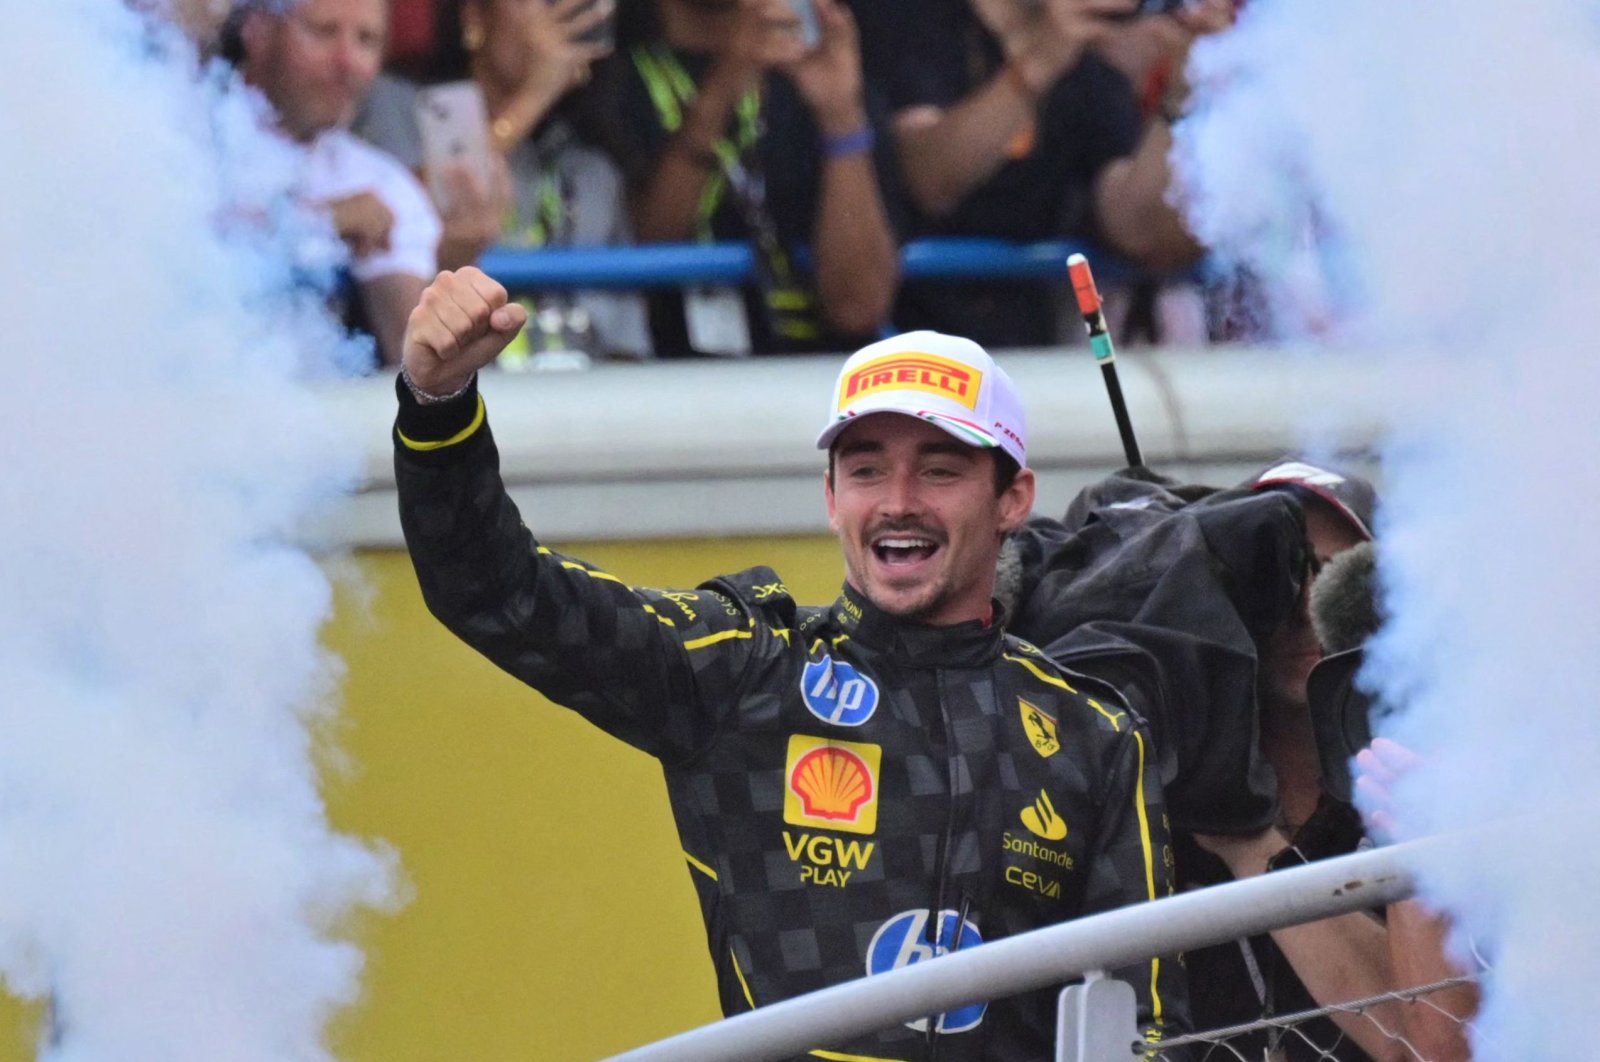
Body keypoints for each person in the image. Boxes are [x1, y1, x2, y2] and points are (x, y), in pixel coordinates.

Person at [391, 269, 1187, 1059]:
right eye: (867, 469)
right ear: (831, 496)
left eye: (940, 470)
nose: (898, 500)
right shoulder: (744, 670)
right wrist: (437, 408)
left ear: (1012, 499)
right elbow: (499, 593)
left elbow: (1151, 1024)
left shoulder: (1096, 732)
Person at [1001, 458, 1470, 1060]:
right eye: (1273, 575)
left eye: (1333, 578)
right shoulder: (1146, 784)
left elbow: (1429, 1044)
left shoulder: (1410, 783)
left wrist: (1253, 847)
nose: (1304, 608)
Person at [847, 0, 1231, 348]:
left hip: (1031, 357)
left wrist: (1184, 97)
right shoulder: (899, 18)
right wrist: (1040, 62)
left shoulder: (1087, 50)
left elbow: (1137, 229)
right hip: (897, 357)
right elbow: (927, 177)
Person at [593, 0, 901, 355]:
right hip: (675, 388)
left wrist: (840, 119)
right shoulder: (609, 82)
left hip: (817, 379)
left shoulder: (824, 72)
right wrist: (727, 80)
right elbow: (648, 245)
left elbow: (859, 306)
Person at [233, 0, 441, 366]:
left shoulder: (381, 182)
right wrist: (320, 222)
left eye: (367, 40)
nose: (347, 62)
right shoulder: (179, 131)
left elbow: (417, 365)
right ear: (258, 30)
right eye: (324, 32)